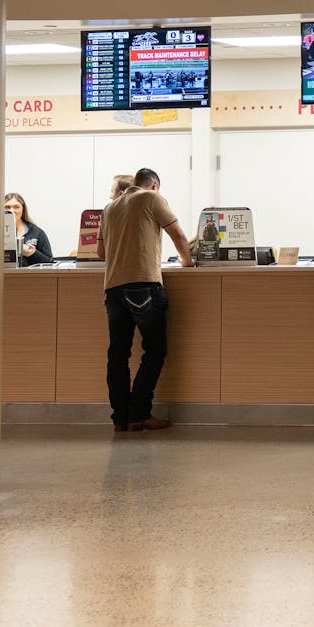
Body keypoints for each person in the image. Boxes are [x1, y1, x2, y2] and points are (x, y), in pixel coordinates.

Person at [97, 168, 194, 433]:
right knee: (154, 350)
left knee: (118, 354)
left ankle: (120, 419)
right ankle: (139, 414)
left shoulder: (109, 208)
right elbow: (179, 235)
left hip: (113, 288)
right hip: (143, 284)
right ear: (154, 187)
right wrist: (187, 262)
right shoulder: (152, 199)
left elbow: (100, 251)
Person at [3, 193, 53, 267]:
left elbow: (50, 263)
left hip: (30, 277)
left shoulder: (37, 233)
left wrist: (33, 254)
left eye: (16, 207)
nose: (12, 211)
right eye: (7, 207)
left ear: (23, 210)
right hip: (1, 276)